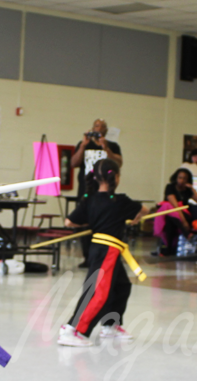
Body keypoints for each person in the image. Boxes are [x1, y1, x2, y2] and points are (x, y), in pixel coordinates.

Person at [57, 158, 150, 347]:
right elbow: (145, 210)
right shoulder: (121, 201)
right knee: (98, 293)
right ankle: (73, 329)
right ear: (115, 177)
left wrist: (92, 221)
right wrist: (135, 219)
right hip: (107, 250)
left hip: (100, 248)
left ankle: (110, 325)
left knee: (121, 286)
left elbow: (69, 222)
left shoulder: (89, 200)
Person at [72, 119, 122, 267]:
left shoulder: (112, 146)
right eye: (96, 126)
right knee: (85, 223)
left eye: (101, 127)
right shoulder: (84, 145)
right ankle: (87, 257)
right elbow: (74, 163)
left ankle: (102, 257)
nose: (98, 129)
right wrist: (82, 146)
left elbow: (119, 163)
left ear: (106, 131)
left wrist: (106, 148)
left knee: (103, 222)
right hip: (86, 188)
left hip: (105, 189)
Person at [154, 168, 197, 256]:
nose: (182, 180)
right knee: (169, 218)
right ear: (176, 178)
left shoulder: (187, 190)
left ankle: (169, 250)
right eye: (180, 178)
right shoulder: (170, 187)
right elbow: (175, 206)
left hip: (184, 213)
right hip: (174, 212)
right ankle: (186, 235)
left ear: (188, 180)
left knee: (170, 219)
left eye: (184, 178)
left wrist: (192, 189)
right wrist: (183, 222)